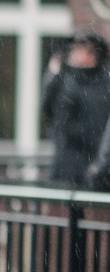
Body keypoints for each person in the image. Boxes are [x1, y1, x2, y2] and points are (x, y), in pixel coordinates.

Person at [41, 30, 110, 186]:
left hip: (91, 167)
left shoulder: (103, 83)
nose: (75, 54)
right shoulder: (64, 78)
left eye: (82, 49)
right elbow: (47, 108)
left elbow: (97, 127)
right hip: (65, 166)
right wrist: (53, 73)